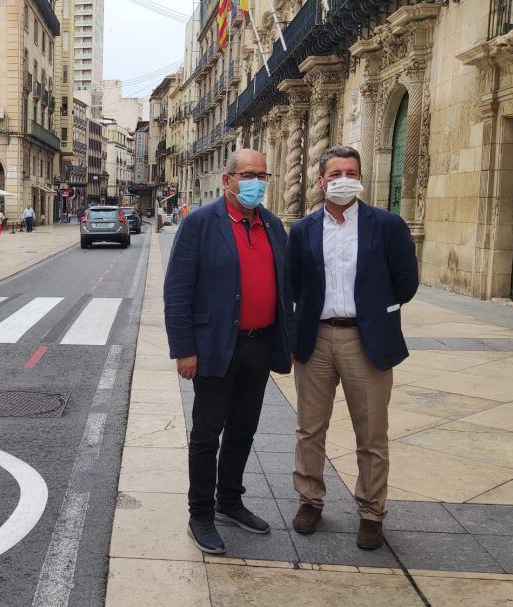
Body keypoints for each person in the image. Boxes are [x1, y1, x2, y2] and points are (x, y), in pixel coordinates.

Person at [287, 146, 419, 551]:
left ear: (361, 177)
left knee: (372, 432)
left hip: (367, 340)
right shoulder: (304, 230)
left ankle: (371, 512)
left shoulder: (388, 225)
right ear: (321, 180)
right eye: (336, 172)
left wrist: (378, 314)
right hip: (317, 339)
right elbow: (293, 285)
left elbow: (406, 282)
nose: (343, 178)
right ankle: (310, 500)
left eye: (351, 171)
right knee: (310, 428)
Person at [163, 149, 294, 556]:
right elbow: (177, 289)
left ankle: (230, 501)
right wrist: (185, 350)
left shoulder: (273, 225)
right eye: (248, 175)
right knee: (207, 434)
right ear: (228, 180)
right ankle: (200, 513)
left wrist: (285, 342)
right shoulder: (201, 224)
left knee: (244, 429)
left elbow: (285, 287)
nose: (256, 182)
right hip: (215, 347)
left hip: (259, 344)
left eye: (262, 174)